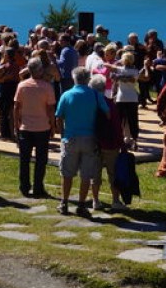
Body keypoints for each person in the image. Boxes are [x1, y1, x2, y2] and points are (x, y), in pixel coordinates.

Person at [55, 66, 108, 216]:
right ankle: (81, 205)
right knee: (86, 175)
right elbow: (107, 113)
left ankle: (64, 203)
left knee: (67, 173)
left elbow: (58, 116)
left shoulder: (67, 94)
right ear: (88, 79)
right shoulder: (95, 95)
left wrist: (62, 134)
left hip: (70, 137)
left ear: (74, 78)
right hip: (90, 138)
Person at [13, 56, 56, 198]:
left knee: (24, 159)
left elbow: (16, 107)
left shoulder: (22, 85)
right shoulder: (47, 87)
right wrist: (53, 126)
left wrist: (16, 124)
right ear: (40, 70)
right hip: (42, 127)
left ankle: (24, 186)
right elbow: (50, 109)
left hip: (25, 127)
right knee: (41, 160)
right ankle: (38, 187)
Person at [89, 73, 127, 212]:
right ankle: (115, 200)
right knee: (113, 173)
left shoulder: (89, 105)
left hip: (94, 143)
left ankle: (95, 200)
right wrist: (122, 144)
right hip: (110, 144)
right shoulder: (110, 104)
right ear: (104, 88)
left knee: (95, 173)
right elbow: (117, 126)